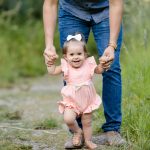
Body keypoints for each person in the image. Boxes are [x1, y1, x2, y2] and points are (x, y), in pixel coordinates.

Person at [43, 0, 126, 149]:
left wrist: (111, 45)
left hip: (106, 11)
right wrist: (49, 45)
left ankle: (112, 129)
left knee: (111, 68)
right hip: (71, 11)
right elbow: (50, 3)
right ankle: (78, 132)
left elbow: (116, 3)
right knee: (71, 67)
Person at [45, 33, 104, 149]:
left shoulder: (88, 64)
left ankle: (88, 141)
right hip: (72, 101)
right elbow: (52, 71)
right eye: (72, 54)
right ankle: (77, 131)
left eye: (79, 54)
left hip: (87, 100)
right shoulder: (65, 66)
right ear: (66, 57)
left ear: (85, 55)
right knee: (68, 118)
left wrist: (103, 64)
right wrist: (50, 64)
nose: (76, 57)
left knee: (87, 122)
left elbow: (99, 70)